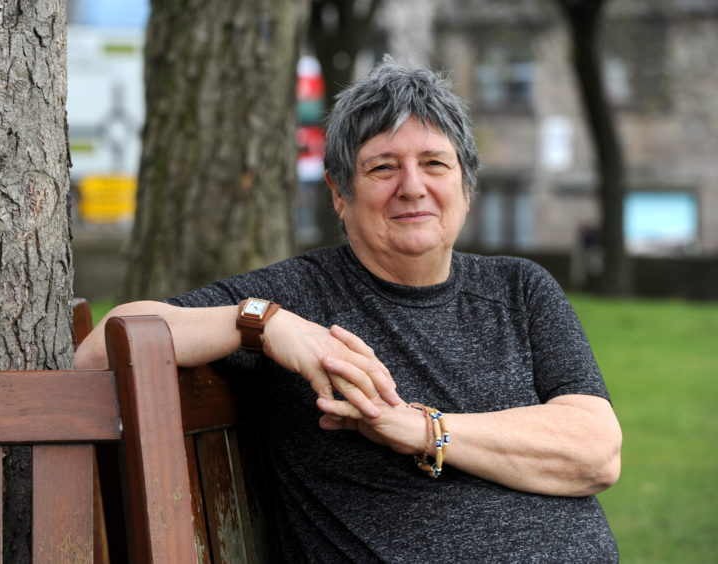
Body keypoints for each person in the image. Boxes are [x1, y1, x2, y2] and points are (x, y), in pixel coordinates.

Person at [75, 56, 622, 562]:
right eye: (383, 168)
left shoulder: (520, 289)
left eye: (434, 162)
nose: (413, 187)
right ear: (340, 193)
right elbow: (101, 347)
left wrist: (425, 431)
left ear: (466, 184)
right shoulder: (302, 296)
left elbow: (596, 452)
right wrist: (261, 322)